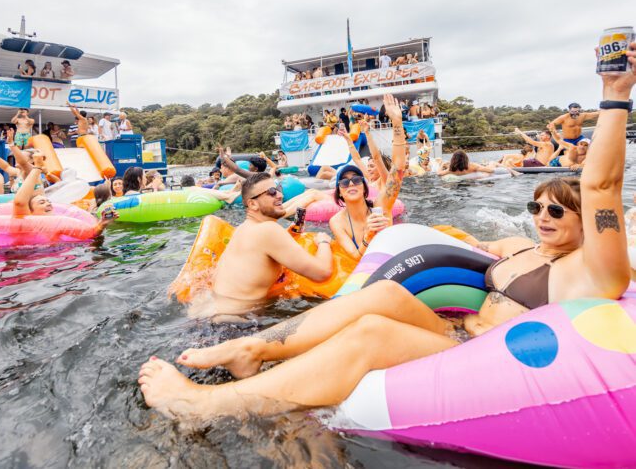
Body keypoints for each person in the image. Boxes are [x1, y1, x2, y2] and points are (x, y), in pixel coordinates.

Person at [139, 45, 636, 423]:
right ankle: (253, 348)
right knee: (383, 294)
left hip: (486, 358)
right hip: (456, 331)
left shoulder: (593, 270)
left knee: (371, 335)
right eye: (535, 206)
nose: (542, 215)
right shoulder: (523, 248)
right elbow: (466, 245)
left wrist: (615, 98)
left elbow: (602, 186)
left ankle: (207, 404)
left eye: (556, 210)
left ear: (585, 222)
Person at [184, 172, 333, 317]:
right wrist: (324, 241)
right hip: (237, 324)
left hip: (211, 317)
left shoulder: (242, 229)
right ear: (253, 204)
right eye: (272, 192)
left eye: (278, 189)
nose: (280, 195)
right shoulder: (269, 230)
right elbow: (321, 273)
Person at [329, 95, 405, 258]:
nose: (351, 184)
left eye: (356, 179)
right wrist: (368, 236)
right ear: (339, 191)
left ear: (364, 187)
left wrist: (397, 123)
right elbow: (355, 256)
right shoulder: (336, 221)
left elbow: (398, 168)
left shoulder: (381, 208)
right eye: (344, 181)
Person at [13, 156, 117, 233]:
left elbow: (91, 235)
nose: (49, 204)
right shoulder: (27, 223)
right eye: (42, 202)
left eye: (48, 201)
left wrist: (102, 224)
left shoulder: (61, 224)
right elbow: (19, 203)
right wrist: (38, 167)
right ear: (30, 211)